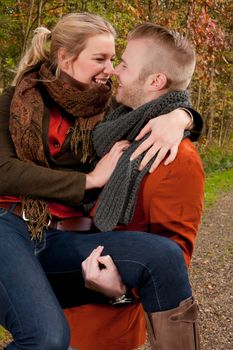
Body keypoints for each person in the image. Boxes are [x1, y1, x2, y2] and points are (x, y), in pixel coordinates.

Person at [0, 13, 202, 350]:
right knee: (48, 338)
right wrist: (90, 180)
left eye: (114, 59)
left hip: (61, 237)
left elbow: (158, 99)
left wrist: (183, 117)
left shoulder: (108, 106)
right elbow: (3, 171)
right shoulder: (15, 100)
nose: (110, 69)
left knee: (164, 256)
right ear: (65, 57)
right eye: (100, 59)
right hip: (10, 225)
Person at [76, 23, 205, 350]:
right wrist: (186, 114)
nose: (115, 71)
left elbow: (172, 260)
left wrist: (119, 291)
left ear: (155, 81)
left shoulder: (177, 160)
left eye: (124, 64)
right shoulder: (111, 123)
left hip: (104, 329)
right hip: (53, 307)